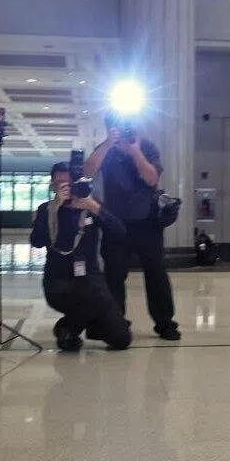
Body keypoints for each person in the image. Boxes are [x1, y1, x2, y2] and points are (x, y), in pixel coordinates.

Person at [83, 116, 181, 341]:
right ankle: (116, 322)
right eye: (115, 126)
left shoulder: (146, 147)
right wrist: (108, 144)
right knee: (113, 275)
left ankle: (165, 323)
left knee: (156, 273)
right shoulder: (105, 149)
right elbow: (88, 171)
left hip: (147, 223)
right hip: (114, 223)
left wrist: (135, 151)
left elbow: (151, 179)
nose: (123, 130)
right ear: (109, 128)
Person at [30, 162, 132, 352]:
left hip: (90, 279)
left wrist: (95, 208)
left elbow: (120, 232)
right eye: (58, 182)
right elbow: (36, 241)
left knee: (121, 339)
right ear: (52, 185)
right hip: (59, 281)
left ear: (76, 182)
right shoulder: (47, 209)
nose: (63, 186)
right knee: (98, 299)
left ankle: (68, 327)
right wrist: (54, 210)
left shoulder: (90, 205)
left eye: (67, 182)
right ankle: (70, 327)